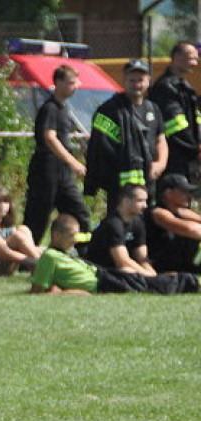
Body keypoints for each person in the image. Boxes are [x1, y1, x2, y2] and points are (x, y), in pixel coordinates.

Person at [32, 213, 197, 294]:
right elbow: (39, 290)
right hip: (102, 282)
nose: (76, 240)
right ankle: (190, 282)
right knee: (145, 285)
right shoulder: (49, 257)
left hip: (103, 276)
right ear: (56, 235)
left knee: (145, 283)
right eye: (72, 236)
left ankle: (190, 282)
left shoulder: (61, 254)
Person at [85, 59, 166, 214]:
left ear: (148, 81)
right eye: (132, 80)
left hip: (149, 181)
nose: (136, 84)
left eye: (140, 80)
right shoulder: (109, 110)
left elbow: (160, 139)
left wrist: (160, 163)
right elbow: (101, 148)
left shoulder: (153, 109)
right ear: (124, 81)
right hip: (120, 186)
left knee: (145, 227)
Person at [23, 64, 91, 246]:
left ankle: (85, 255)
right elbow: (49, 138)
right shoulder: (50, 108)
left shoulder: (65, 108)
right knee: (38, 218)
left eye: (76, 83)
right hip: (46, 172)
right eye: (70, 83)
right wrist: (74, 163)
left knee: (80, 213)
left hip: (63, 175)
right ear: (58, 83)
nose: (75, 86)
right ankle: (25, 260)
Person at [148, 40, 201, 185]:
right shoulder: (166, 87)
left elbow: (195, 121)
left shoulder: (183, 86)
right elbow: (176, 126)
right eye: (192, 58)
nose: (195, 63)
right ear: (177, 58)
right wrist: (195, 148)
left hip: (186, 156)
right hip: (175, 157)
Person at [83, 184, 155, 275]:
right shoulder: (113, 224)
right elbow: (122, 261)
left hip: (121, 269)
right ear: (126, 201)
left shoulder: (138, 222)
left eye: (146, 201)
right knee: (126, 270)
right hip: (102, 271)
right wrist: (149, 277)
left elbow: (142, 258)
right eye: (140, 201)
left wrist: (153, 274)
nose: (145, 206)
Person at [145, 173, 201, 273]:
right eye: (183, 192)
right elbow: (191, 230)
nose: (188, 196)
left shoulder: (181, 211)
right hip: (159, 263)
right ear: (168, 193)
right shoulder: (158, 212)